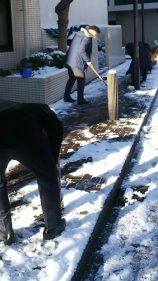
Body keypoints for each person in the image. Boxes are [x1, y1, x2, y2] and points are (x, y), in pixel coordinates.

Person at [0, 101, 66, 245]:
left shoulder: (25, 108)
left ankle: (5, 233)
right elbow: (56, 129)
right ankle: (53, 227)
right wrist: (52, 160)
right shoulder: (41, 108)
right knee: (47, 178)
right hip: (28, 142)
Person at [63, 25, 101, 105]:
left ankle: (66, 97)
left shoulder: (80, 33)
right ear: (92, 30)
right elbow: (82, 50)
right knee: (81, 80)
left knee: (72, 79)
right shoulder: (86, 37)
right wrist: (88, 60)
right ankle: (80, 99)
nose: (95, 36)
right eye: (95, 33)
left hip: (70, 60)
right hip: (77, 62)